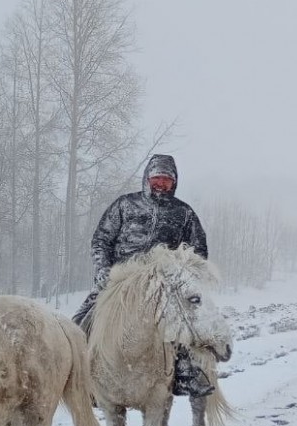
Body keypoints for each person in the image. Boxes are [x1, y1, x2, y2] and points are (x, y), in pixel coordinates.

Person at [74, 153, 214, 398]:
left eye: (166, 180)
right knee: (82, 318)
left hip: (162, 283)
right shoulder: (125, 205)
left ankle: (185, 371)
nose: (161, 184)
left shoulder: (184, 213)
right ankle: (76, 369)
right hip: (120, 280)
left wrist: (180, 273)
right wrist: (103, 269)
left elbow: (199, 252)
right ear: (147, 179)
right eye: (156, 179)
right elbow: (101, 240)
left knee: (184, 320)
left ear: (174, 183)